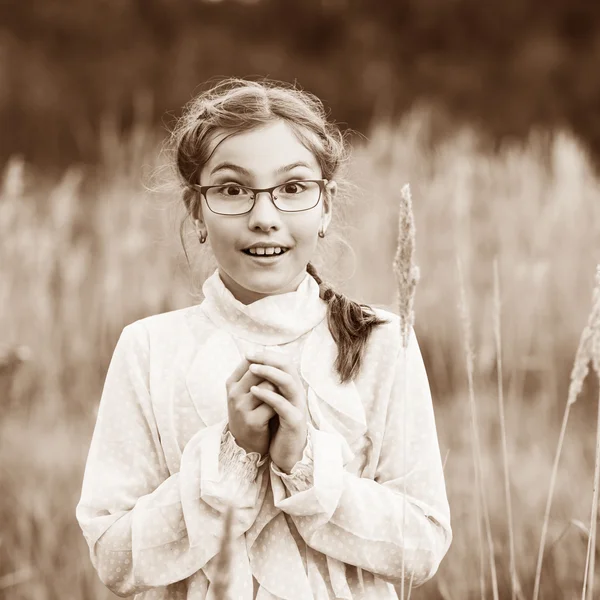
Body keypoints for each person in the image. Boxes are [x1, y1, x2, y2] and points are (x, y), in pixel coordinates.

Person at [76, 78, 452, 600]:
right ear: (196, 210)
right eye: (232, 190)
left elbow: (423, 548)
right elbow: (114, 557)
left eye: (292, 188)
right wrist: (231, 456)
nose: (264, 218)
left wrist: (304, 467)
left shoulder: (382, 342)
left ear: (325, 205)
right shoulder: (149, 350)